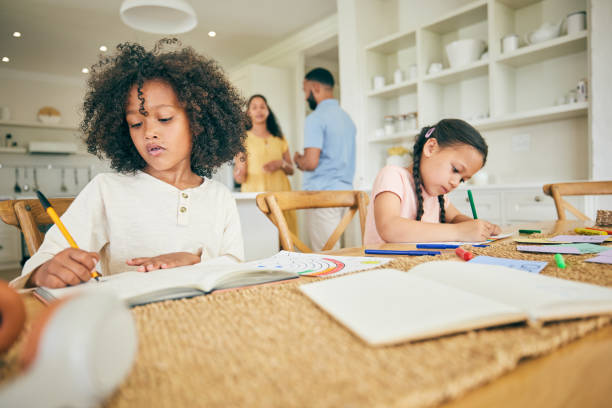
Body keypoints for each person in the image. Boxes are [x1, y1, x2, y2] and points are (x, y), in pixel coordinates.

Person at [11, 39, 247, 289]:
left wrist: (192, 261)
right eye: (136, 123)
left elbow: (235, 263)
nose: (149, 133)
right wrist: (44, 271)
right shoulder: (107, 190)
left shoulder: (220, 197)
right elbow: (44, 260)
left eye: (164, 118)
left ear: (200, 122)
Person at [364, 118, 502, 244]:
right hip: (382, 266)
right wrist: (459, 231)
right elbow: (390, 228)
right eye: (455, 169)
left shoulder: (438, 196)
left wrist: (479, 227)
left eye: (462, 180)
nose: (455, 183)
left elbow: (455, 218)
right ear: (431, 148)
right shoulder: (393, 176)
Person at [293, 67, 356, 251]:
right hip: (346, 196)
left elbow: (311, 162)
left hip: (323, 196)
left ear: (315, 88)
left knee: (327, 257)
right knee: (345, 254)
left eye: (305, 91)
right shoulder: (347, 119)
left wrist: (298, 160)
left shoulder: (315, 118)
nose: (305, 98)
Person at [233, 94, 297, 234]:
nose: (259, 111)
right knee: (260, 239)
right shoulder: (243, 140)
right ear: (248, 112)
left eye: (262, 107)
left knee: (285, 240)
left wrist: (281, 164)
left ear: (268, 110)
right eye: (254, 107)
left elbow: (291, 170)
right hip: (255, 197)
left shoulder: (280, 138)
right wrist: (240, 173)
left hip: (281, 196)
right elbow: (239, 176)